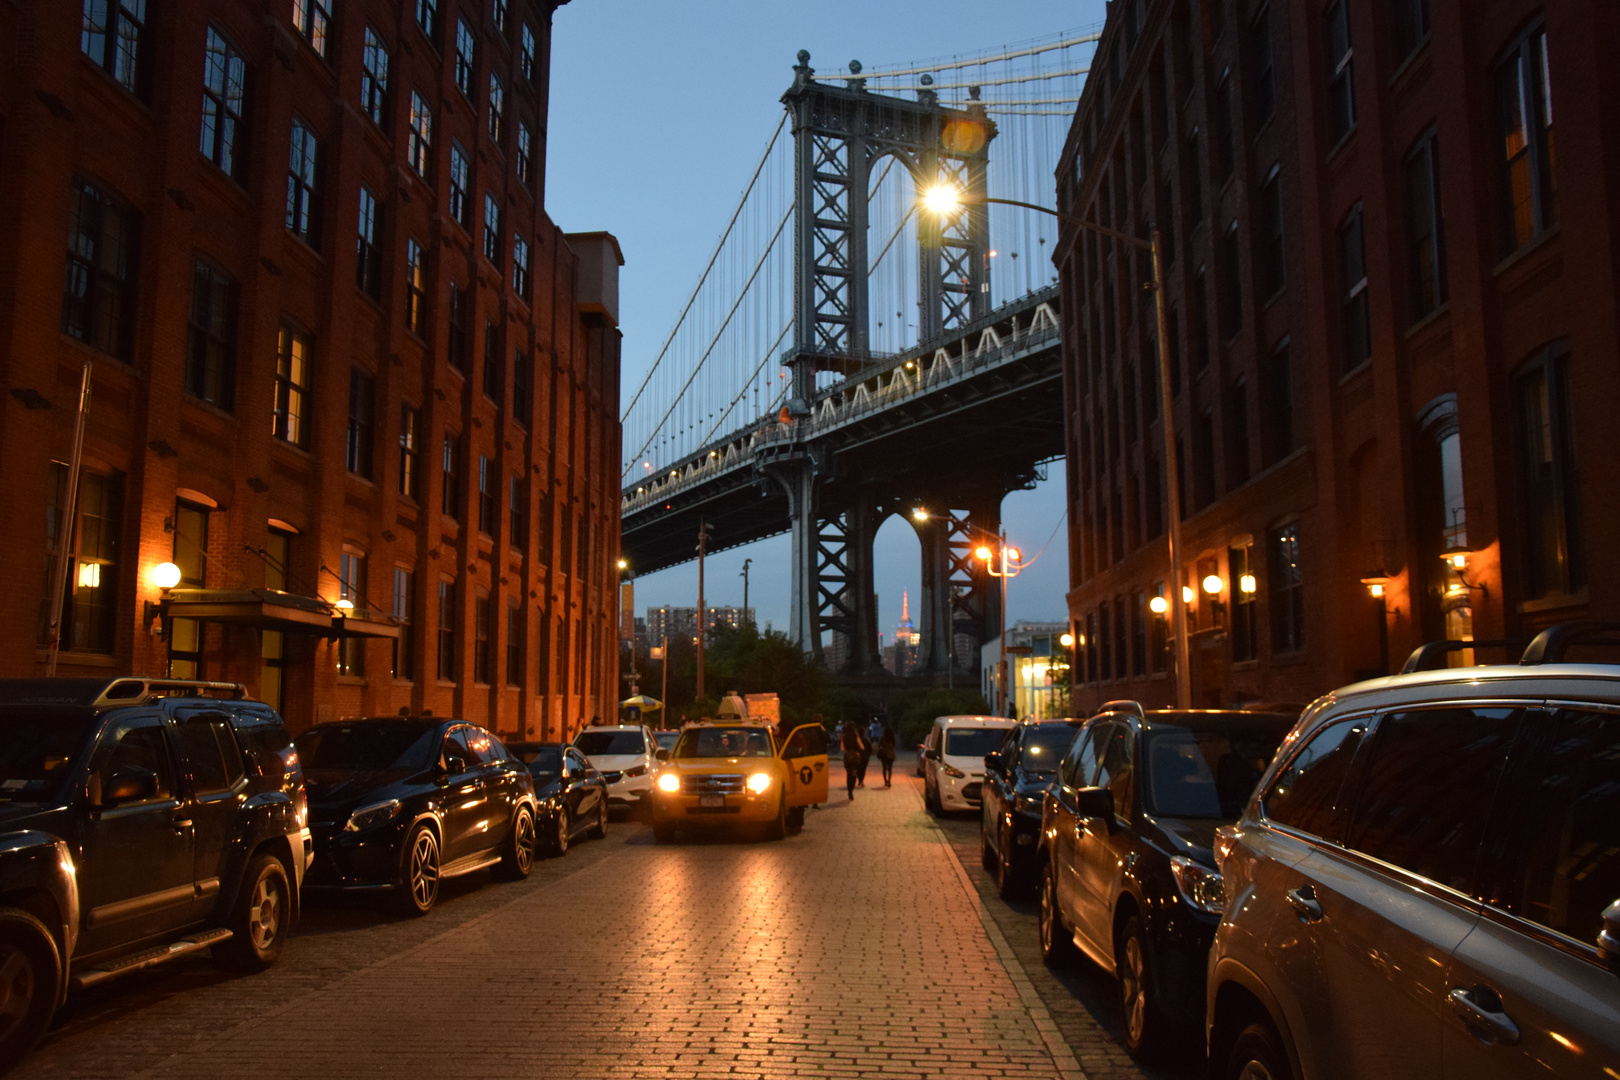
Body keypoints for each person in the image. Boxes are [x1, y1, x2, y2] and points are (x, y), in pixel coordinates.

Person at [840, 719, 865, 800]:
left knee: (848, 774)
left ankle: (849, 791)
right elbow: (862, 747)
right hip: (854, 756)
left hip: (847, 757)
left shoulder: (844, 737)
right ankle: (851, 790)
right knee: (854, 774)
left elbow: (842, 748)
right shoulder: (856, 736)